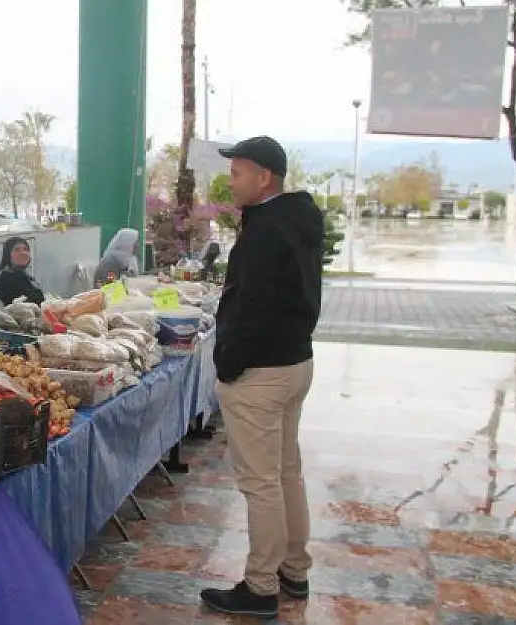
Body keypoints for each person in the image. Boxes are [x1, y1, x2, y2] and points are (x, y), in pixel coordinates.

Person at [200, 136, 324, 619]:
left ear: (263, 177)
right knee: (286, 473)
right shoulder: (299, 217)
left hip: (263, 371)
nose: (230, 181)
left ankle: (261, 586)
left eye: (236, 173)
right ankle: (295, 570)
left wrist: (228, 363)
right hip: (296, 362)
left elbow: (253, 307)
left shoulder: (267, 230)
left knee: (261, 484)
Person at [0, 237, 45, 306]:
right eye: (17, 250)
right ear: (8, 255)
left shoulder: (24, 275)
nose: (23, 253)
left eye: (25, 249)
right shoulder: (6, 280)